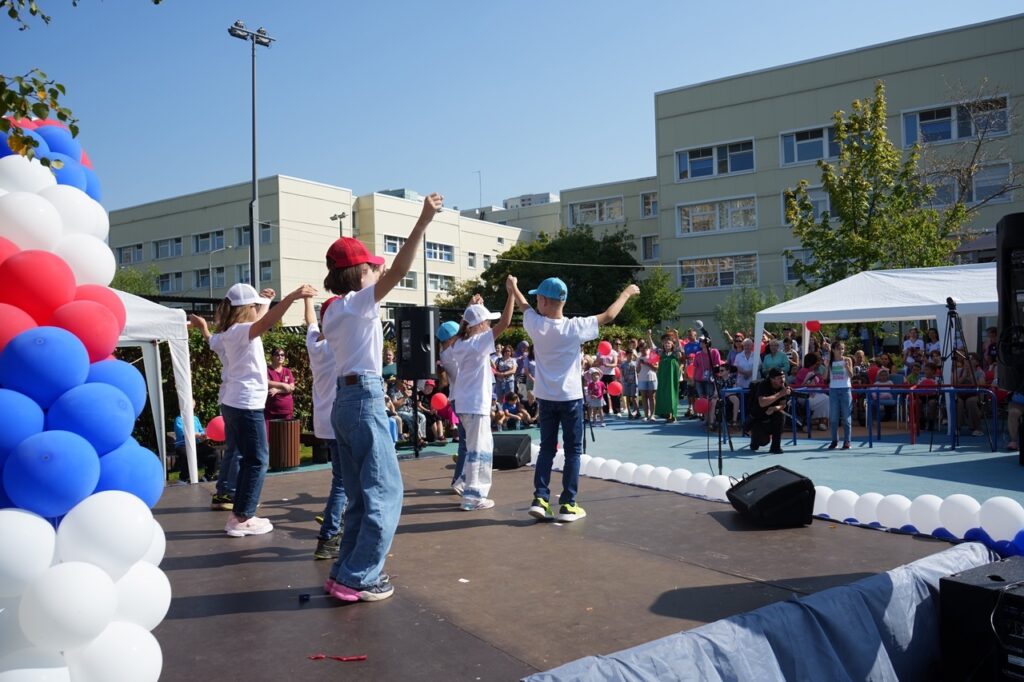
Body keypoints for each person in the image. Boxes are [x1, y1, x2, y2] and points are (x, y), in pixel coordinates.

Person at [320, 191, 443, 603]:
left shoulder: (332, 310)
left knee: (359, 496)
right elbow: (401, 268)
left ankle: (345, 572)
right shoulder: (356, 305)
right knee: (386, 493)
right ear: (357, 274)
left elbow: (386, 272)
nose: (379, 273)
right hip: (364, 398)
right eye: (371, 269)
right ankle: (359, 577)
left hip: (343, 401)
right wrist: (423, 220)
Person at [189, 281, 316, 537]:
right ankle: (242, 517)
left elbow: (213, 338)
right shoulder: (241, 331)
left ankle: (238, 507)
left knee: (244, 456)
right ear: (246, 309)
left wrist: (266, 300)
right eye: (255, 305)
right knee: (257, 459)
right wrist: (291, 296)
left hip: (232, 402)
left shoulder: (224, 335)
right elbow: (264, 322)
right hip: (246, 403)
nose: (258, 308)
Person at [510, 276, 639, 522]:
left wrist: (513, 287)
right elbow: (609, 316)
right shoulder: (575, 327)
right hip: (570, 399)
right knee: (573, 452)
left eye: (539, 297)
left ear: (545, 301)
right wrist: (626, 292)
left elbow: (523, 305)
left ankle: (540, 498)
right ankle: (568, 504)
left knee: (547, 449)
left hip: (546, 399)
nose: (535, 301)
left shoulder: (536, 324)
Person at [449, 284, 515, 510]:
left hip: (465, 403)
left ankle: (462, 483)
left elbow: (461, 329)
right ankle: (473, 496)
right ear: (479, 325)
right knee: (481, 448)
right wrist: (512, 293)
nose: (488, 324)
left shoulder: (459, 343)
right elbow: (505, 323)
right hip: (476, 404)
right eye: (485, 321)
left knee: (474, 446)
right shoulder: (478, 343)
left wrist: (471, 308)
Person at [304, 295, 345, 561]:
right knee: (343, 480)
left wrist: (307, 299)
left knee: (343, 478)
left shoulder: (314, 344)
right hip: (341, 418)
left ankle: (336, 523)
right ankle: (330, 535)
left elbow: (309, 322)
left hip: (324, 421)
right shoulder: (338, 346)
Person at [437, 319, 466, 493]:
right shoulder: (453, 352)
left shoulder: (445, 353)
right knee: (467, 444)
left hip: (457, 399)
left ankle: (459, 478)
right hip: (463, 400)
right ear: (451, 339)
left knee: (465, 443)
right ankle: (460, 480)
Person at [749, 368, 790, 454]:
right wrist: (780, 394)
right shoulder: (763, 385)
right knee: (763, 442)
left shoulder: (784, 385)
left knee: (781, 415)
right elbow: (762, 403)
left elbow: (783, 404)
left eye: (783, 377)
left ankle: (775, 447)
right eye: (779, 378)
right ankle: (754, 439)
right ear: (772, 379)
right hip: (760, 417)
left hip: (773, 415)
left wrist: (775, 408)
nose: (782, 380)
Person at [174, 402, 217, 483]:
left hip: (196, 444)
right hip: (183, 445)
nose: (190, 409)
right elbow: (184, 434)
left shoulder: (195, 419)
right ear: (181, 407)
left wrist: (204, 436)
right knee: (187, 454)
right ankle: (183, 478)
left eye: (192, 406)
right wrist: (197, 435)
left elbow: (201, 431)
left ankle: (208, 476)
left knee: (213, 452)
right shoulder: (179, 419)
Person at [651, 329, 683, 422]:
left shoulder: (675, 353)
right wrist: (649, 336)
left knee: (672, 395)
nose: (667, 345)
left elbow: (679, 346)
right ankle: (667, 414)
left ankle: (673, 414)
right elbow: (653, 347)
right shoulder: (661, 353)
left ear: (672, 345)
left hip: (672, 378)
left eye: (669, 343)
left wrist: (677, 335)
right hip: (663, 377)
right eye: (665, 344)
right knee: (664, 395)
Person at [827, 341, 854, 450]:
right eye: (838, 349)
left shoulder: (847, 359)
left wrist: (847, 367)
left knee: (846, 417)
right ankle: (834, 440)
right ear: (833, 350)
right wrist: (825, 366)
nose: (841, 351)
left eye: (842, 349)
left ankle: (847, 441)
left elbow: (851, 375)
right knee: (833, 418)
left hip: (845, 389)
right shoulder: (830, 361)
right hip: (833, 390)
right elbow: (825, 377)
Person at [265, 347, 296, 425]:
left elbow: (292, 388)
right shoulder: (267, 370)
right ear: (272, 357)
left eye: (282, 355)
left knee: (285, 436)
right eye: (277, 354)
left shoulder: (287, 371)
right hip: (270, 411)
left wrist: (277, 390)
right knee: (269, 436)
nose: (280, 357)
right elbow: (266, 382)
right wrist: (283, 385)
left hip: (286, 411)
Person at [636, 340, 658, 421]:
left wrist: (647, 363)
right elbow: (637, 371)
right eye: (640, 350)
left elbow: (656, 368)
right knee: (644, 397)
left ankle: (652, 415)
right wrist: (639, 363)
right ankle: (646, 415)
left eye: (643, 350)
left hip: (652, 378)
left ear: (647, 348)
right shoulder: (639, 357)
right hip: (642, 379)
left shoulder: (652, 355)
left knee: (652, 397)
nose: (642, 352)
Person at [619, 349, 640, 419]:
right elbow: (621, 373)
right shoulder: (623, 364)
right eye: (629, 355)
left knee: (634, 398)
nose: (630, 356)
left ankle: (637, 412)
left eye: (632, 355)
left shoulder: (635, 363)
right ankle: (629, 412)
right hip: (626, 383)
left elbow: (638, 371)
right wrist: (622, 381)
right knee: (627, 397)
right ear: (626, 355)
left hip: (634, 383)